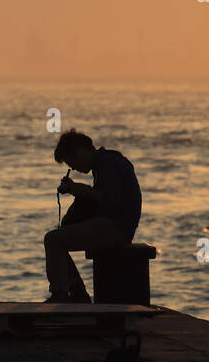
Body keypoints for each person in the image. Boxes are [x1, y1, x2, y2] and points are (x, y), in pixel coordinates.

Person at [43, 128, 142, 303]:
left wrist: (80, 190)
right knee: (58, 238)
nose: (73, 168)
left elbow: (111, 202)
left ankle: (64, 293)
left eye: (71, 161)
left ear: (80, 151)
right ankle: (75, 292)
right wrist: (80, 191)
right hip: (117, 225)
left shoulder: (108, 164)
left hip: (117, 227)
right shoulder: (105, 163)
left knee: (53, 239)